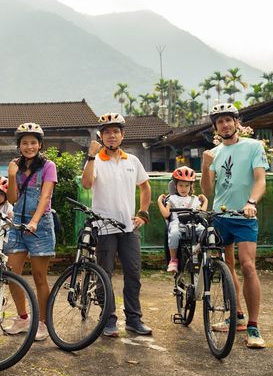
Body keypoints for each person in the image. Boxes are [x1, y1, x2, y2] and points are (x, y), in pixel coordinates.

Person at [201, 103, 268, 348]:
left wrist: (251, 202)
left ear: (237, 122)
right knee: (227, 267)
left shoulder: (253, 147)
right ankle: (236, 316)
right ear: (215, 127)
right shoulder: (214, 153)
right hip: (220, 216)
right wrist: (205, 165)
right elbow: (208, 191)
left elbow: (260, 181)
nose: (225, 124)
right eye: (220, 121)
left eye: (229, 120)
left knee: (248, 266)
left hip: (244, 216)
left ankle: (253, 326)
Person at [81, 112, 152, 337]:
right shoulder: (96, 161)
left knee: (133, 273)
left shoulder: (132, 161)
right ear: (101, 136)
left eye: (116, 132)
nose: (111, 136)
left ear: (122, 135)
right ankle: (108, 318)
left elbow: (146, 187)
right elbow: (86, 184)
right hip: (103, 229)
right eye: (107, 132)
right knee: (105, 274)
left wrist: (143, 214)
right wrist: (91, 157)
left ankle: (133, 319)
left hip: (129, 228)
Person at [2, 122, 58, 341]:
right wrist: (12, 176)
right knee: (12, 273)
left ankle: (42, 322)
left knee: (39, 277)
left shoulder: (48, 166)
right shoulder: (15, 166)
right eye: (24, 143)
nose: (29, 146)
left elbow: (45, 197)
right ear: (19, 145)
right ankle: (24, 318)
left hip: (40, 225)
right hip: (17, 224)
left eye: (33, 142)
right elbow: (13, 199)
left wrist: (34, 221)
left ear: (40, 144)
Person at [157, 166, 208, 273]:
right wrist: (159, 202)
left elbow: (202, 213)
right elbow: (166, 214)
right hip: (177, 223)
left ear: (191, 186)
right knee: (174, 233)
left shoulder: (194, 199)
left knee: (206, 231)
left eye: (186, 186)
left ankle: (203, 254)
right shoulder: (171, 199)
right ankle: (173, 260)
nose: (183, 188)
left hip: (193, 224)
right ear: (175, 186)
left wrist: (205, 201)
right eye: (180, 185)